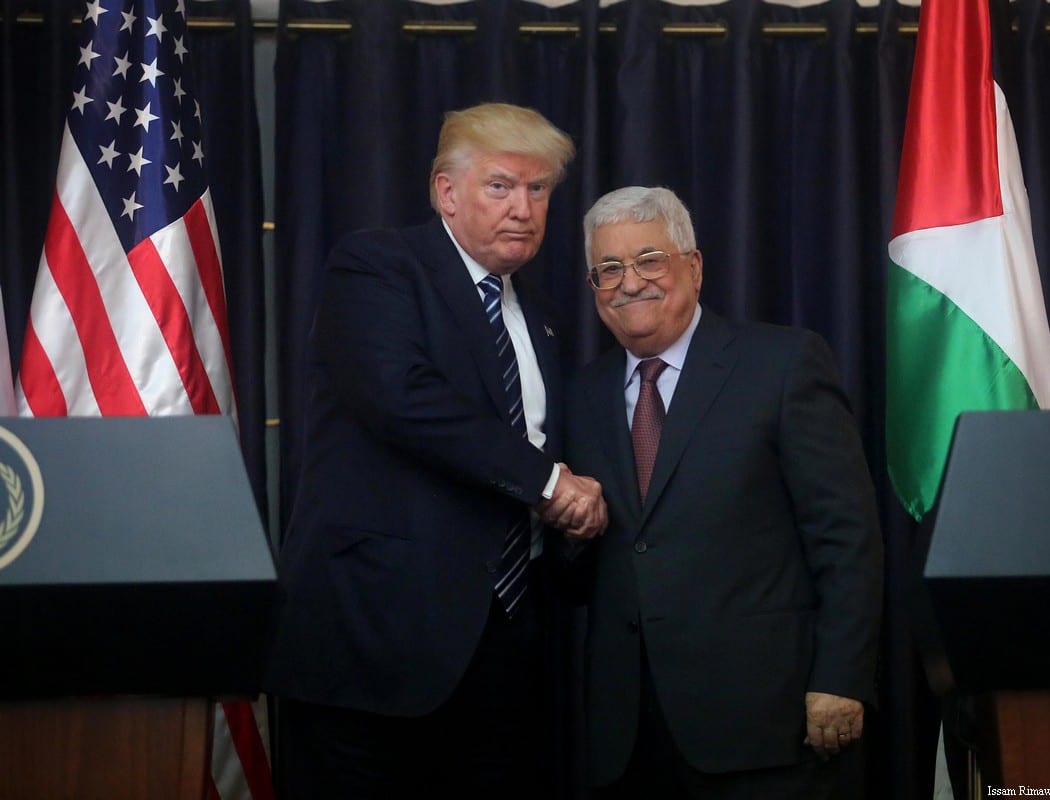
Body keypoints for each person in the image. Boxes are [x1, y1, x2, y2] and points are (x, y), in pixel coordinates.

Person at [264, 102, 607, 797]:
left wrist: (578, 516)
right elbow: (403, 397)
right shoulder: (377, 265)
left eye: (539, 190)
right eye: (501, 185)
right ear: (445, 193)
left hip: (504, 654)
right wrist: (550, 483)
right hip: (373, 646)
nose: (524, 207)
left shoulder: (540, 320)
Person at [565, 186, 883, 798]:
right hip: (631, 739)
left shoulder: (782, 364)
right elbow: (582, 570)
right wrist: (574, 531)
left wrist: (841, 678)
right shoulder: (581, 396)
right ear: (594, 288)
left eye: (649, 259)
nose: (630, 283)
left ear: (695, 265)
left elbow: (846, 537)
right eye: (609, 269)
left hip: (768, 727)